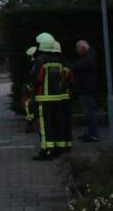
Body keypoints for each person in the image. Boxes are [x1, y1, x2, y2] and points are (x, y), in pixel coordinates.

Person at [30, 32, 72, 161]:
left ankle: (46, 151)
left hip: (44, 99)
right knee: (57, 123)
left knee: (45, 125)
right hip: (58, 98)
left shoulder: (40, 61)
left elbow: (36, 79)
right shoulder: (59, 62)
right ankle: (58, 148)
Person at [74, 40, 99, 142]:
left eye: (78, 49)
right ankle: (91, 133)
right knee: (89, 113)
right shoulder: (89, 56)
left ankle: (93, 135)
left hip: (87, 90)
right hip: (87, 89)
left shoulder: (88, 58)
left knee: (90, 113)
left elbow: (76, 67)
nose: (77, 51)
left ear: (83, 48)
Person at [22, 46, 37, 133]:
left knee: (30, 106)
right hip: (31, 89)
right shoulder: (33, 64)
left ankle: (30, 124)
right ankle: (30, 123)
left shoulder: (36, 64)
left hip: (33, 91)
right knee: (29, 107)